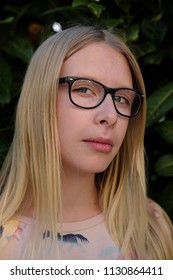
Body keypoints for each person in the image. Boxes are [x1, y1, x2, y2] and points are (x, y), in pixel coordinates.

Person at [0, 24, 172, 260]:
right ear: (39, 99)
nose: (111, 116)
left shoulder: (151, 226)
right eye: (84, 89)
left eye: (122, 98)